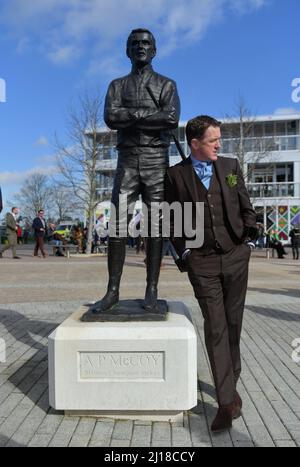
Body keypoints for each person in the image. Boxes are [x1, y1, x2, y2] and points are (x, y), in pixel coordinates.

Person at [165, 115, 257, 432]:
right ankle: (226, 402)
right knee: (215, 327)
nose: (219, 144)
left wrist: (250, 239)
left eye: (219, 139)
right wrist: (185, 254)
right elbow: (169, 219)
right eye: (212, 140)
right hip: (201, 262)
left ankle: (231, 379)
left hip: (235, 256)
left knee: (233, 325)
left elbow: (245, 203)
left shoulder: (230, 167)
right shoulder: (175, 175)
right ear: (194, 144)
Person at [92, 28, 180, 314]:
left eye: (145, 43)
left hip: (157, 160)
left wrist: (130, 117)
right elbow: (110, 117)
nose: (140, 47)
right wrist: (143, 117)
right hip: (127, 160)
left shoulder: (167, 84)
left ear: (154, 50)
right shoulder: (116, 85)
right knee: (117, 225)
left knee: (156, 229)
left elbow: (170, 117)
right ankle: (112, 290)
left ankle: (152, 289)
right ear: (127, 50)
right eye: (135, 44)